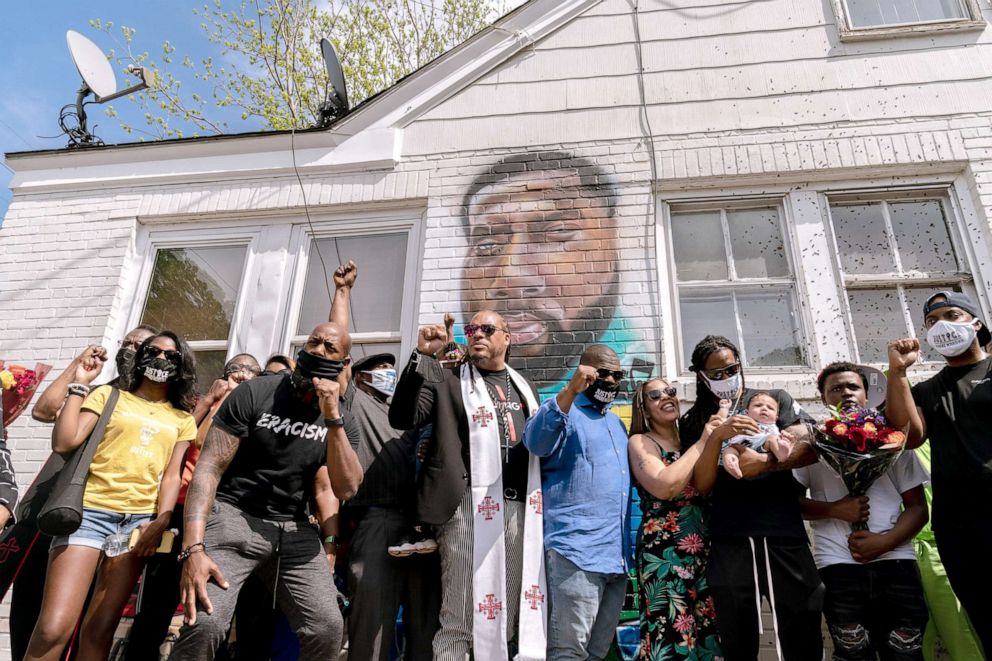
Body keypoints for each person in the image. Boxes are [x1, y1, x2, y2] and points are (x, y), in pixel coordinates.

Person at [169, 321, 364, 660]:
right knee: (206, 624)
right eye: (314, 342)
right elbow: (209, 469)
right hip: (233, 516)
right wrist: (194, 548)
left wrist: (332, 418)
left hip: (294, 529)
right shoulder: (257, 392)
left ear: (343, 364)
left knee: (327, 628)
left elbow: (345, 488)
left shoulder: (343, 420)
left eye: (330, 348)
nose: (318, 350)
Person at [25, 331, 198, 661]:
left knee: (101, 629)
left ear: (181, 366)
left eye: (170, 356)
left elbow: (172, 475)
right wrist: (80, 383)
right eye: (153, 351)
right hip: (88, 514)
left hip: (136, 527)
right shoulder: (108, 396)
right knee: (54, 628)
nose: (161, 359)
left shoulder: (181, 419)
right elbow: (64, 442)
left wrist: (161, 522)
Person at [389, 310, 546, 661]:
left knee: (504, 616)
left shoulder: (525, 387)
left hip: (518, 509)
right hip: (465, 508)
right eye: (472, 329)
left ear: (507, 338)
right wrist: (423, 356)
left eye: (487, 329)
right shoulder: (448, 380)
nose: (477, 334)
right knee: (459, 617)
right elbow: (402, 416)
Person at [4, 327, 158, 661]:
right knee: (33, 612)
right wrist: (78, 369)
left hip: (96, 517)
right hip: (50, 508)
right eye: (126, 343)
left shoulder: (154, 407)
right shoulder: (100, 391)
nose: (130, 350)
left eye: (139, 345)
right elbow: (43, 412)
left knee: (81, 623)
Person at [324, 260, 441, 661]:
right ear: (358, 377)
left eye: (393, 369)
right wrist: (343, 293)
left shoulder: (416, 415)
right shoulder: (355, 404)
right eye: (378, 368)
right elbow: (335, 353)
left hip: (426, 527)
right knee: (371, 630)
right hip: (379, 522)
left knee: (427, 634)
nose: (388, 374)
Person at [681, 335, 822, 661]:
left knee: (802, 632)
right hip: (729, 539)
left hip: (783, 533)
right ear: (700, 375)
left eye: (731, 369)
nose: (726, 377)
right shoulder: (693, 420)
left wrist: (767, 462)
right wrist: (716, 436)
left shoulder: (770, 399)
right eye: (715, 373)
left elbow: (811, 441)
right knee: (737, 642)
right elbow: (702, 486)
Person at [122, 354, 262, 661]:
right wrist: (215, 398)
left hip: (222, 517)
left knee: (213, 606)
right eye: (235, 369)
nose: (242, 374)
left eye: (251, 371)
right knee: (158, 602)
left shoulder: (255, 411)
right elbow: (195, 438)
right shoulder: (204, 402)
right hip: (182, 512)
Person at [794, 361, 929, 660]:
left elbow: (918, 508)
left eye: (853, 386)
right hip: (837, 566)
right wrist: (836, 509)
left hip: (897, 564)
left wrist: (885, 542)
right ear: (823, 398)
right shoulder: (813, 445)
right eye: (836, 388)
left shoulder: (894, 442)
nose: (845, 393)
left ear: (867, 394)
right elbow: (791, 504)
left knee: (904, 652)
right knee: (853, 654)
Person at [885, 291, 992, 655]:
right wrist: (897, 371)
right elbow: (909, 436)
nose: (941, 325)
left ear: (976, 323)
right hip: (959, 528)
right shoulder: (928, 390)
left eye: (952, 315)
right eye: (932, 321)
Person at [458, 151, 620, 386]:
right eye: (487, 246)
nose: (510, 278)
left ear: (611, 239)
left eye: (559, 231)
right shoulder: (448, 376)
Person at [522, 344, 630, 661]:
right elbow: (536, 443)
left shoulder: (616, 423)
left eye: (617, 375)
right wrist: (570, 390)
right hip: (576, 554)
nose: (610, 380)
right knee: (568, 652)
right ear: (585, 371)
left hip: (616, 558)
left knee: (596, 654)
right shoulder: (562, 410)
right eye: (602, 373)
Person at [629, 380, 741, 660]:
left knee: (707, 635)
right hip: (664, 555)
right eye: (655, 395)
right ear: (643, 408)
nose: (666, 397)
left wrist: (714, 439)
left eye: (670, 392)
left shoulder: (689, 439)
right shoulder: (641, 442)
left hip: (704, 551)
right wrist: (706, 440)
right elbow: (664, 485)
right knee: (670, 632)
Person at [721, 391, 793, 479]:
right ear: (747, 412)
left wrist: (784, 437)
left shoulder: (773, 427)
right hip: (740, 444)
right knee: (729, 450)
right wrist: (724, 409)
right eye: (758, 405)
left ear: (776, 418)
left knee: (773, 439)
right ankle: (732, 465)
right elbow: (722, 422)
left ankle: (782, 453)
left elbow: (779, 436)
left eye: (770, 408)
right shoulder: (743, 419)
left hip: (763, 444)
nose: (764, 409)